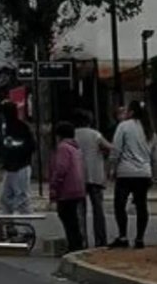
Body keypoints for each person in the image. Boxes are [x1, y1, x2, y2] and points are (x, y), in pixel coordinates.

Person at [109, 100, 155, 249]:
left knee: (120, 204)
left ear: (132, 112)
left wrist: (112, 168)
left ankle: (123, 236)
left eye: (128, 110)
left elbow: (116, 149)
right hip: (144, 172)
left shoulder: (123, 126)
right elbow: (155, 156)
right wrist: (153, 173)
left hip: (125, 172)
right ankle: (139, 238)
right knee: (142, 205)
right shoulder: (150, 131)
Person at [74, 110, 113, 247]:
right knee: (98, 209)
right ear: (90, 121)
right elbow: (109, 147)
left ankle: (82, 240)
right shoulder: (95, 134)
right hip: (95, 175)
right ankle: (100, 240)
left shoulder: (73, 135)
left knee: (80, 210)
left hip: (78, 176)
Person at [50, 121, 86, 254]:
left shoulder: (63, 148)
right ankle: (77, 243)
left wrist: (54, 186)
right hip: (78, 187)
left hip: (67, 188)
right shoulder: (75, 148)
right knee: (73, 218)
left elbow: (61, 168)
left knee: (67, 217)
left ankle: (74, 244)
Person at [0, 100, 37, 214]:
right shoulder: (6, 128)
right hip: (10, 167)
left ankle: (26, 227)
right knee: (5, 198)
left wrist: (16, 148)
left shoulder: (21, 127)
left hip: (21, 166)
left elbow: (31, 146)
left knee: (22, 198)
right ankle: (9, 224)